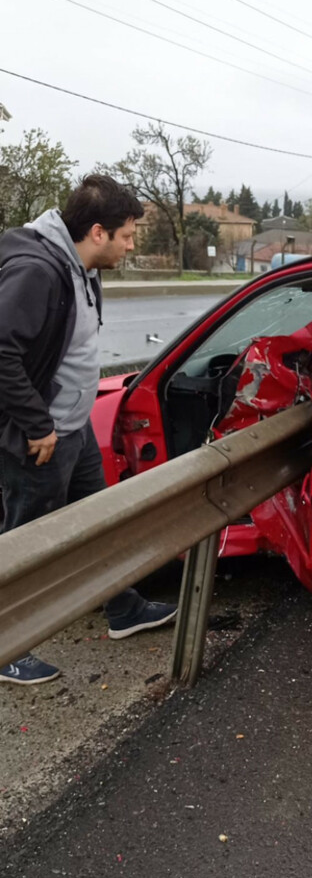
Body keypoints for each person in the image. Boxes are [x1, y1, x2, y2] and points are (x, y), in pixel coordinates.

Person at [0, 175, 177, 685]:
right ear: (97, 232)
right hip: (38, 439)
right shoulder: (37, 271)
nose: (130, 245)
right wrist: (38, 425)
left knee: (99, 524)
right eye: (126, 236)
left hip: (71, 433)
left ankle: (122, 608)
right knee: (24, 544)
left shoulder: (80, 265)